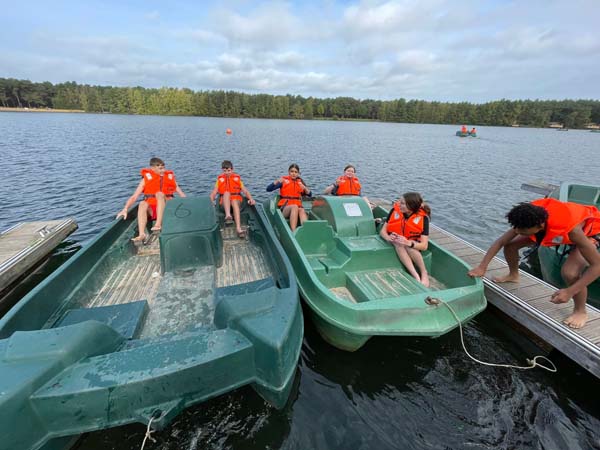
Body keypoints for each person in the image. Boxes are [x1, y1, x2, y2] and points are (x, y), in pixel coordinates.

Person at [468, 198, 600, 329]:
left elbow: (597, 266)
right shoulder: (528, 217)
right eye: (516, 229)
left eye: (522, 231)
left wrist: (570, 291)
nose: (518, 232)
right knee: (510, 246)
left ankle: (580, 311)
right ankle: (513, 275)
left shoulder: (573, 231)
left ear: (540, 226)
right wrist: (482, 267)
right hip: (557, 229)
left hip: (589, 232)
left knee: (570, 272)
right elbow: (501, 242)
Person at [116, 157, 186, 242]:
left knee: (159, 194)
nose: (163, 170)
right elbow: (134, 196)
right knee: (142, 203)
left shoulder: (170, 177)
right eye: (160, 168)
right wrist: (125, 208)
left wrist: (188, 206)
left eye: (164, 168)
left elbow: (182, 194)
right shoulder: (146, 179)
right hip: (152, 211)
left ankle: (158, 224)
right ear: (152, 168)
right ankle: (142, 234)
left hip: (167, 208)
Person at [380, 192, 431, 287]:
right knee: (398, 243)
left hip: (412, 243)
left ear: (411, 206)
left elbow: (424, 246)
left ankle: (424, 272)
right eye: (400, 202)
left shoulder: (423, 218)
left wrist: (408, 242)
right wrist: (388, 238)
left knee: (409, 246)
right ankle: (415, 275)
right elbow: (382, 231)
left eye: (403, 203)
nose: (399, 204)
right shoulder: (394, 211)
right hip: (397, 241)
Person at [209, 160, 256, 238]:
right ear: (222, 170)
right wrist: (211, 201)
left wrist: (251, 199)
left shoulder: (237, 179)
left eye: (229, 170)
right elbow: (214, 193)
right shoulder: (219, 180)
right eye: (225, 171)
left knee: (234, 201)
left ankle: (238, 228)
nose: (227, 172)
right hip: (224, 204)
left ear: (232, 169)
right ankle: (228, 216)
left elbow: (245, 191)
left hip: (236, 201)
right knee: (226, 193)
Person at [266, 163, 311, 231]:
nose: (293, 173)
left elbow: (310, 194)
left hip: (297, 208)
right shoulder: (284, 181)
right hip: (285, 209)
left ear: (298, 173)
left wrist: (304, 188)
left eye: (296, 172)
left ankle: (306, 230)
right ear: (289, 172)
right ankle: (293, 232)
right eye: (292, 171)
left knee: (301, 209)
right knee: (295, 206)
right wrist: (277, 181)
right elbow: (268, 189)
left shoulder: (300, 183)